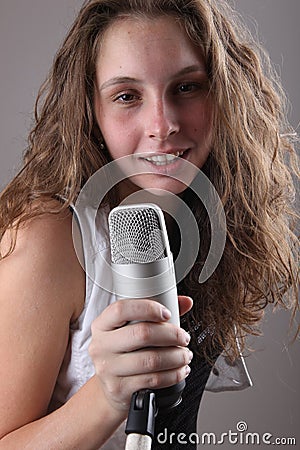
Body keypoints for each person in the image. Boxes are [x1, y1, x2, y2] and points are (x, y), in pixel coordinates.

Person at [0, 0, 298, 448]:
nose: (163, 125)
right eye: (126, 96)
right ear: (90, 110)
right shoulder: (51, 239)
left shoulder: (204, 216)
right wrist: (106, 395)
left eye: (187, 87)